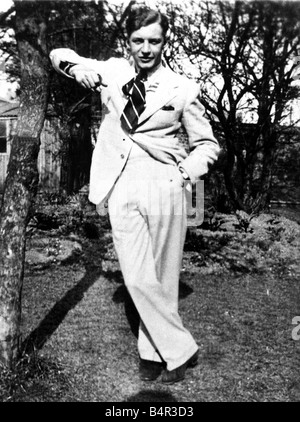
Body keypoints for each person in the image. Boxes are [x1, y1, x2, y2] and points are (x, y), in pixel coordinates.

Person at [50, 6, 220, 384]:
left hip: (165, 184)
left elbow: (207, 144)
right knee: (137, 275)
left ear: (165, 41)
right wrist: (79, 69)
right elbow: (58, 55)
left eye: (154, 41)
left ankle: (151, 352)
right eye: (138, 40)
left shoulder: (183, 88)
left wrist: (182, 174)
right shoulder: (113, 71)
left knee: (162, 275)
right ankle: (181, 348)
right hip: (121, 183)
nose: (146, 49)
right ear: (127, 41)